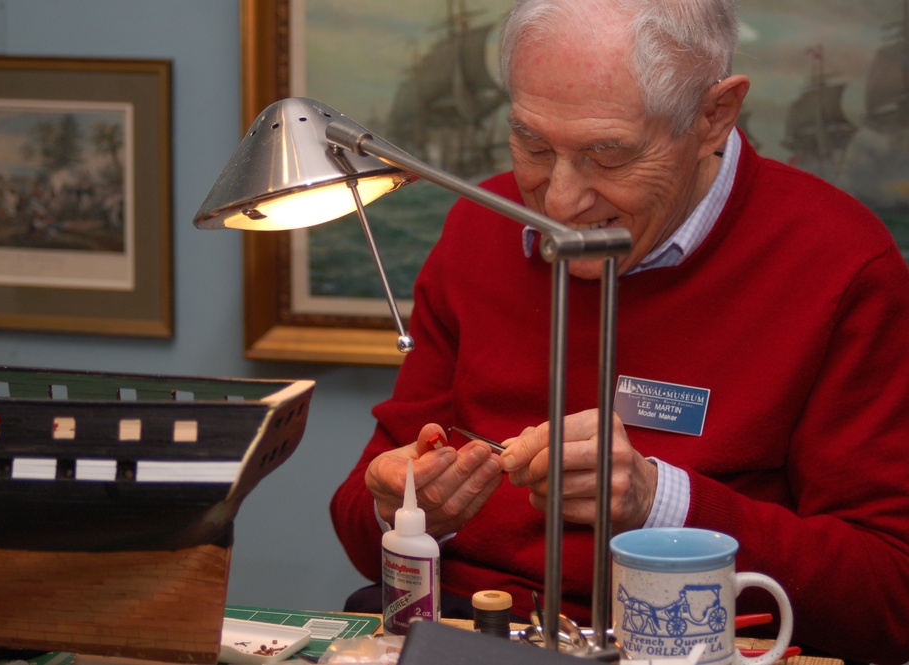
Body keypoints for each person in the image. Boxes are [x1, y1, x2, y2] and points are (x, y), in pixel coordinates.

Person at [329, 1, 909, 663]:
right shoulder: (478, 225)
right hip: (464, 632)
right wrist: (403, 509)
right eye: (534, 146)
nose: (560, 203)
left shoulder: (840, 262)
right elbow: (357, 521)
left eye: (609, 155)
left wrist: (661, 503)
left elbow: (890, 596)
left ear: (714, 116)